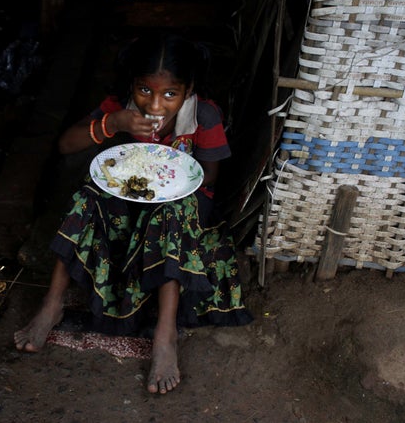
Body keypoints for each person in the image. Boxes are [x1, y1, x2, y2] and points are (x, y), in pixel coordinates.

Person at [14, 31, 253, 394]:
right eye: (146, 91)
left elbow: (207, 184)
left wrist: (170, 187)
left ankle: (165, 334)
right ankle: (52, 304)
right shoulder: (122, 107)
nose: (155, 105)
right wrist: (115, 124)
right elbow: (66, 144)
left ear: (188, 90)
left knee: (171, 214)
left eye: (170, 94)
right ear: (132, 85)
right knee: (89, 193)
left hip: (181, 210)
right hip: (128, 203)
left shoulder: (203, 115)